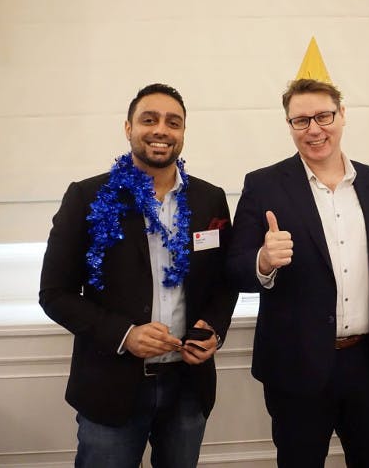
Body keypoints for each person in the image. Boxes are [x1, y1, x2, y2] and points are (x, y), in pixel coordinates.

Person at [39, 83, 237, 468]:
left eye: (173, 122)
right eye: (149, 119)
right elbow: (54, 293)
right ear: (128, 128)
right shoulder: (87, 196)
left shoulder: (209, 199)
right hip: (110, 387)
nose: (161, 129)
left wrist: (214, 327)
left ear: (183, 132)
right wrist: (125, 335)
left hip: (188, 386)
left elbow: (224, 279)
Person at [227, 38, 369, 468]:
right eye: (301, 120)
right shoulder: (264, 185)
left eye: (324, 116)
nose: (314, 129)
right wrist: (263, 262)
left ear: (342, 115)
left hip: (368, 363)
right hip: (296, 366)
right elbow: (233, 268)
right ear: (289, 125)